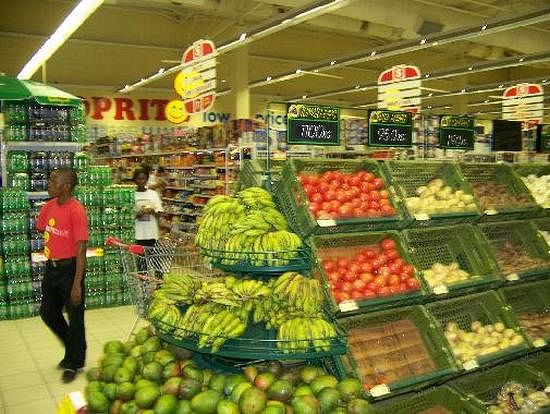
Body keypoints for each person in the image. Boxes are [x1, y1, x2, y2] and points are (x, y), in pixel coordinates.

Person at [37, 168, 89, 383]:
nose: (49, 183)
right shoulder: (48, 206)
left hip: (71, 270)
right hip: (52, 268)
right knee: (48, 313)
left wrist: (77, 284)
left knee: (75, 319)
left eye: (53, 180)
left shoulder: (76, 210)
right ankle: (73, 346)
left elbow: (81, 250)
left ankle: (74, 362)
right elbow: (43, 228)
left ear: (66, 186)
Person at [134, 168, 163, 248]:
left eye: (143, 178)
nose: (141, 181)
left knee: (151, 259)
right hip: (137, 234)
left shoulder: (153, 194)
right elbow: (127, 217)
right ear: (135, 180)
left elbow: (159, 214)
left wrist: (152, 211)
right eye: (139, 179)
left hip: (151, 234)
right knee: (139, 259)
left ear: (147, 179)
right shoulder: (131, 195)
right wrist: (137, 215)